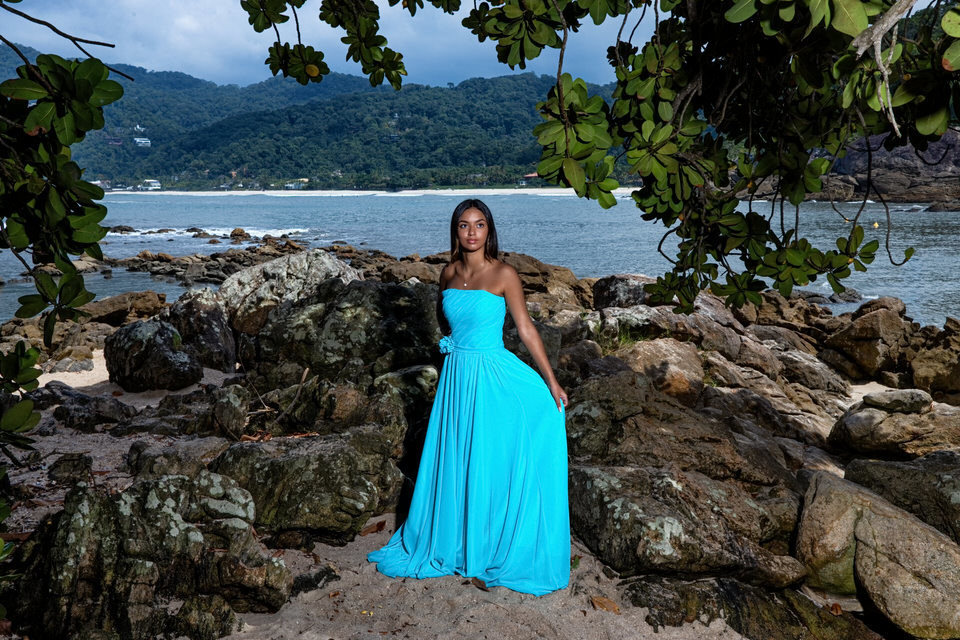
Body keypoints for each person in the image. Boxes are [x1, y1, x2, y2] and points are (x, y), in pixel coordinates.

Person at [367, 198, 570, 596]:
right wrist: (452, 344)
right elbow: (446, 321)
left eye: (479, 225)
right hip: (457, 379)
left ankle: (492, 539)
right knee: (459, 458)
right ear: (455, 231)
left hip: (492, 375)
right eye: (464, 225)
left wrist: (552, 381)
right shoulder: (447, 273)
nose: (472, 232)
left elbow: (526, 330)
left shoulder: (504, 274)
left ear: (489, 230)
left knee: (491, 456)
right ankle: (456, 537)